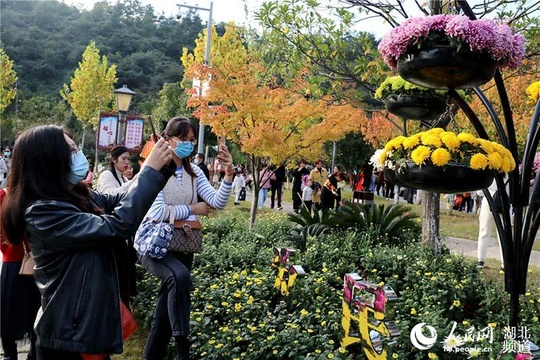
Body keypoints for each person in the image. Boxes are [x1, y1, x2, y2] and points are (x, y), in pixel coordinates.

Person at [0, 124, 174, 359]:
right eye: (71, 151)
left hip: (84, 327)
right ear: (51, 161)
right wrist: (151, 170)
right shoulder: (43, 211)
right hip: (67, 338)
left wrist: (161, 166)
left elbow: (117, 198)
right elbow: (117, 225)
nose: (79, 155)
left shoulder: (75, 195)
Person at [139, 117, 233, 360]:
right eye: (183, 139)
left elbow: (217, 202)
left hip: (182, 243)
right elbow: (157, 213)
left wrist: (229, 174)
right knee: (179, 276)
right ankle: (183, 344)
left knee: (164, 313)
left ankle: (153, 355)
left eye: (191, 140)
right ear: (167, 138)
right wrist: (193, 208)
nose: (188, 145)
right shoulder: (154, 169)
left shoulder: (194, 172)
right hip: (155, 243)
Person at [1, 187, 41, 360]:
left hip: (15, 261)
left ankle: (15, 355)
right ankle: (31, 353)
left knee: (11, 316)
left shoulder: (5, 195)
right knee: (33, 312)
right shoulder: (37, 194)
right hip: (33, 261)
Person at [97, 145, 138, 308]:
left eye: (129, 159)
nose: (127, 162)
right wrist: (134, 181)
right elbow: (112, 196)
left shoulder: (122, 177)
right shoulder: (107, 175)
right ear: (113, 160)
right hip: (111, 230)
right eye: (124, 159)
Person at [477, 179, 506, 269]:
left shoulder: (490, 173)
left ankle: (480, 260)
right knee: (503, 234)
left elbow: (480, 192)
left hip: (489, 201)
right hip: (503, 202)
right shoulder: (508, 172)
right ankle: (505, 262)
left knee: (484, 231)